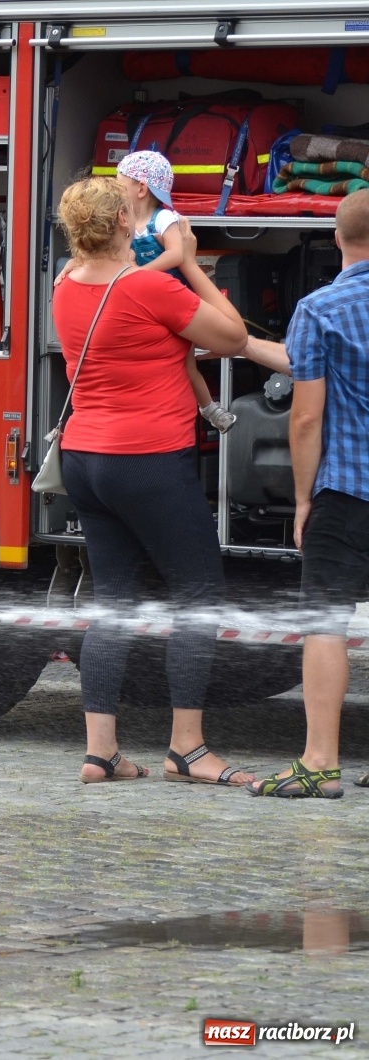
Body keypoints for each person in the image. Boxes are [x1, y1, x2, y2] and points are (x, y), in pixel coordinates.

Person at [50, 177, 254, 787]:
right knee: (197, 595)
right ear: (121, 225)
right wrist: (189, 262)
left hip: (86, 457)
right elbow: (234, 336)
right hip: (148, 459)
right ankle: (187, 750)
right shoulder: (148, 286)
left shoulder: (63, 284)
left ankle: (101, 752)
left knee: (114, 601)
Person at [247, 190, 369, 799]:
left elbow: (305, 419)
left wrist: (301, 500)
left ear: (337, 240)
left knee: (326, 622)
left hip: (347, 487)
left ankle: (320, 762)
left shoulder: (320, 308)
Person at [114, 151, 236, 433]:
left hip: (174, 300)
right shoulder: (125, 221)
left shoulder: (164, 218)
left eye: (120, 184)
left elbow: (176, 254)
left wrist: (136, 273)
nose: (115, 190)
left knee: (186, 364)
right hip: (144, 303)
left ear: (141, 188)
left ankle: (210, 410)